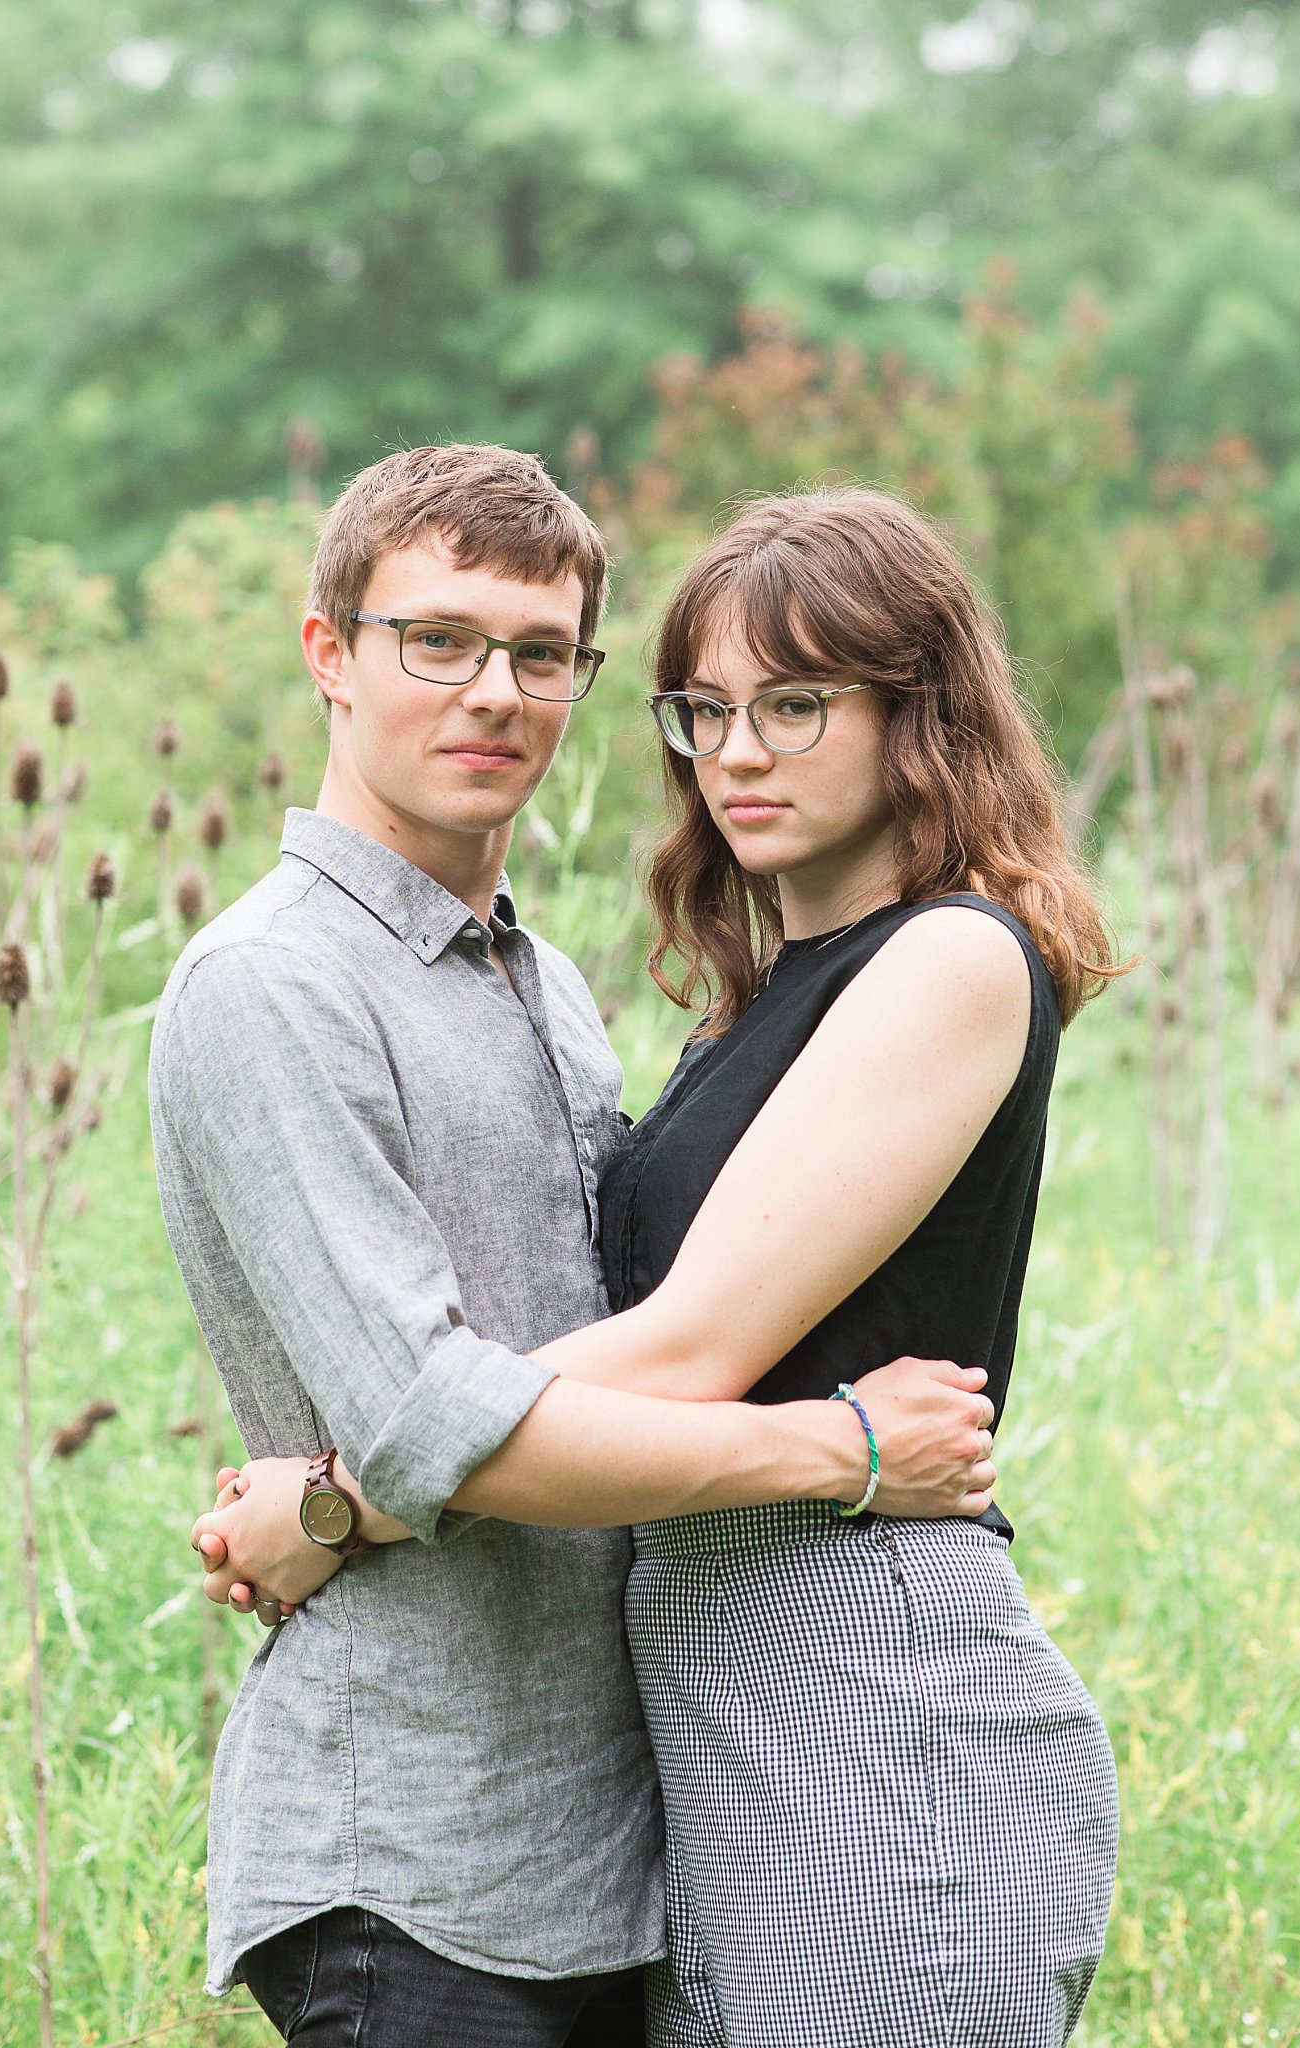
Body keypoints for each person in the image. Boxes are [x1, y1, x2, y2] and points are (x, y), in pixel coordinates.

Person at [197, 485, 1123, 2047]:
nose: (739, 752)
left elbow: (687, 1342)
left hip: (855, 1675)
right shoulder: (745, 1004)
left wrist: (340, 1504)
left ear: (924, 717)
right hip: (712, 1716)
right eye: (704, 712)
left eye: (797, 704)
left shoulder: (949, 954)